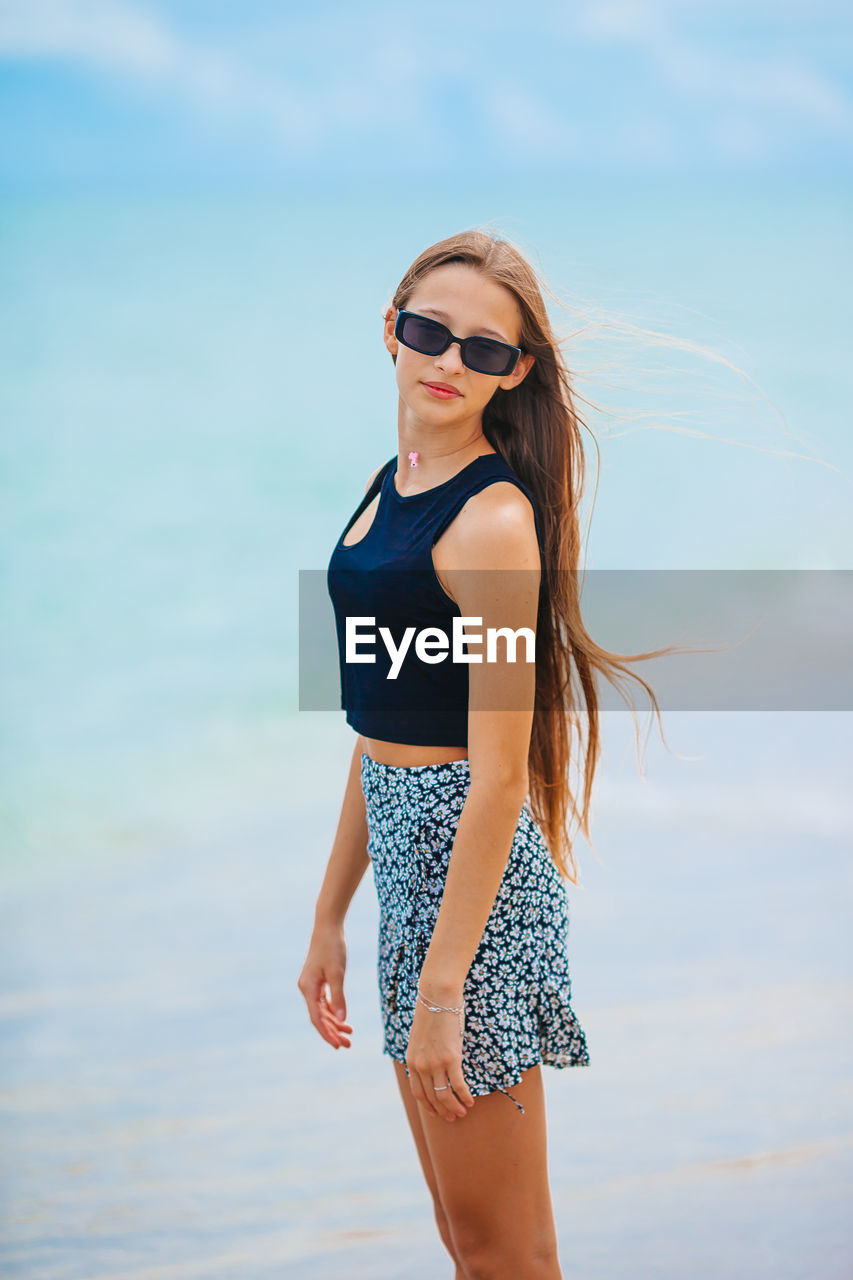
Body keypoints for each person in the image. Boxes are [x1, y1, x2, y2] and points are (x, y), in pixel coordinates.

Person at [298, 229, 670, 1279]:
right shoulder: (387, 488)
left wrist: (441, 990)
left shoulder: (494, 525)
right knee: (468, 1241)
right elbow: (383, 729)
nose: (449, 362)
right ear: (392, 332)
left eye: (483, 349)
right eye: (430, 333)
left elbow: (496, 775)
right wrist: (330, 914)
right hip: (412, 892)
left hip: (477, 905)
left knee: (506, 1251)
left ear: (516, 372)